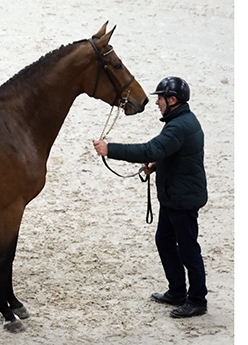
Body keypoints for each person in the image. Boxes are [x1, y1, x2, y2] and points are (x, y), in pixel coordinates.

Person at [92, 77, 208, 318]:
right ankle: (177, 290)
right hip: (173, 197)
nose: (157, 103)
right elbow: (171, 152)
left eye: (160, 98)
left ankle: (197, 300)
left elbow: (149, 149)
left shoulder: (178, 126)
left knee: (188, 250)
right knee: (164, 241)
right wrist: (156, 164)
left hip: (181, 200)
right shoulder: (182, 120)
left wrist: (109, 149)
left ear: (172, 100)